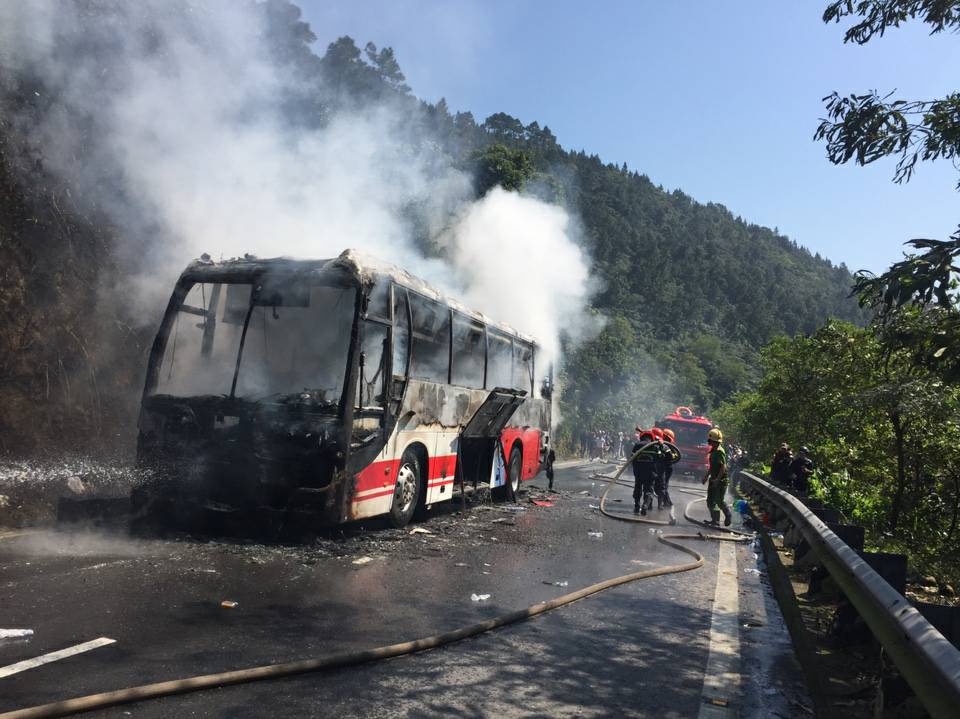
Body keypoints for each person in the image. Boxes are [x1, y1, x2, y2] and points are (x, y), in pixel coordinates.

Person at [702, 427, 732, 526]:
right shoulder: (713, 451)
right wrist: (706, 476)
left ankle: (727, 515)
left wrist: (717, 480)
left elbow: (723, 467)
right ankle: (714, 520)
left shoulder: (720, 451)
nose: (712, 443)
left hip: (721, 480)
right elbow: (712, 466)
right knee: (710, 501)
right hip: (713, 478)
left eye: (714, 441)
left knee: (719, 501)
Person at [632, 429, 657, 515]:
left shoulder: (637, 445)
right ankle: (645, 506)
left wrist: (635, 469)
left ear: (642, 437)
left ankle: (636, 506)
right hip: (650, 472)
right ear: (651, 438)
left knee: (638, 488)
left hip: (639, 471)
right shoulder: (655, 446)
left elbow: (632, 458)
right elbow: (659, 458)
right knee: (649, 490)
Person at [655, 428, 679, 509]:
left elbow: (674, 456)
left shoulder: (671, 447)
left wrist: (667, 452)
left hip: (667, 468)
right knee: (659, 486)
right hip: (659, 467)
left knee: (663, 486)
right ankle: (667, 502)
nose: (664, 438)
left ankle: (665, 503)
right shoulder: (658, 443)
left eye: (666, 437)